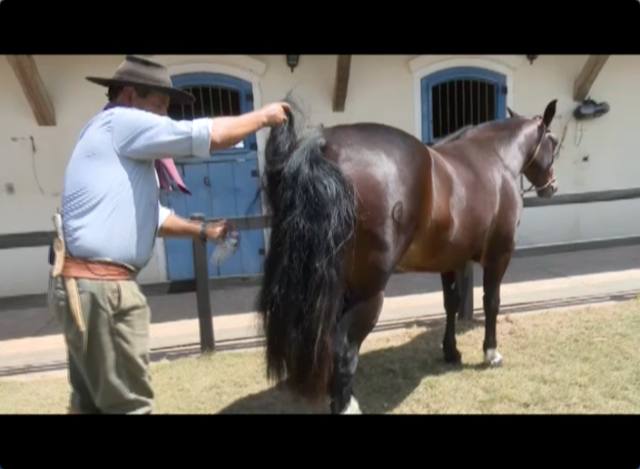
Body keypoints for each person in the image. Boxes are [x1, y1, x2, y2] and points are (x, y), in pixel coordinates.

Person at [48, 55, 289, 414]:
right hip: (103, 290)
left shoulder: (112, 139)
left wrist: (202, 229)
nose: (163, 117)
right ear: (130, 96)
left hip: (83, 285)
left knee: (90, 405)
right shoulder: (121, 122)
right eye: (159, 105)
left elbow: (151, 216)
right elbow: (204, 135)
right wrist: (265, 116)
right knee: (130, 406)